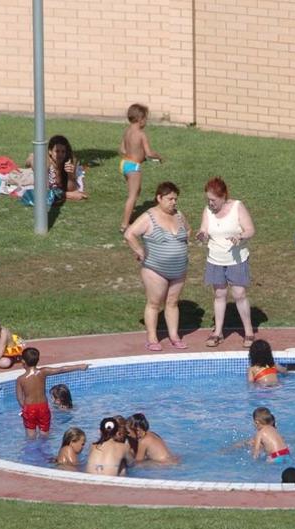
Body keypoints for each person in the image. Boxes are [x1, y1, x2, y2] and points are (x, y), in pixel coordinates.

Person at [123, 182, 189, 351]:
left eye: (175, 199)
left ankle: (174, 336)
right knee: (154, 303)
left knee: (172, 303)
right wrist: (139, 250)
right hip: (155, 269)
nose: (174, 202)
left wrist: (181, 243)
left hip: (179, 269)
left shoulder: (179, 215)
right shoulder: (149, 216)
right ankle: (152, 338)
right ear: (159, 198)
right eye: (170, 199)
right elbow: (129, 234)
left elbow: (188, 231)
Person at [196, 177, 256, 348]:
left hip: (236, 259)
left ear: (223, 197)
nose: (210, 203)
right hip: (215, 259)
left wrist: (240, 236)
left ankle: (249, 332)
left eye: (213, 200)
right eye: (208, 199)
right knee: (219, 294)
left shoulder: (237, 207)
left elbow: (250, 230)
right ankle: (218, 332)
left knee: (239, 294)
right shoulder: (207, 211)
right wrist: (202, 235)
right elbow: (204, 229)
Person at [14, 348, 89, 439]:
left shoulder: (21, 379)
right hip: (43, 407)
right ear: (38, 360)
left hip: (29, 408)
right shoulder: (43, 372)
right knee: (44, 434)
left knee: (31, 436)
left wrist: (24, 409)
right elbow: (61, 369)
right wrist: (79, 366)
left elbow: (19, 398)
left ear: (23, 361)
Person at [119, 104, 162, 232]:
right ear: (140, 119)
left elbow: (122, 149)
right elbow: (149, 153)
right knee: (132, 195)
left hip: (124, 164)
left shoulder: (127, 131)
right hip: (134, 166)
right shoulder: (141, 134)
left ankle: (129, 216)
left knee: (136, 191)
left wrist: (134, 153)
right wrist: (158, 156)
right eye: (146, 119)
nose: (146, 122)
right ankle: (125, 225)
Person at [26, 134, 87, 204]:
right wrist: (68, 195)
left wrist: (70, 175)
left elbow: (72, 190)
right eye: (57, 151)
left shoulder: (70, 161)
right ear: (50, 151)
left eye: (63, 151)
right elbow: (44, 193)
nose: (60, 155)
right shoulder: (45, 163)